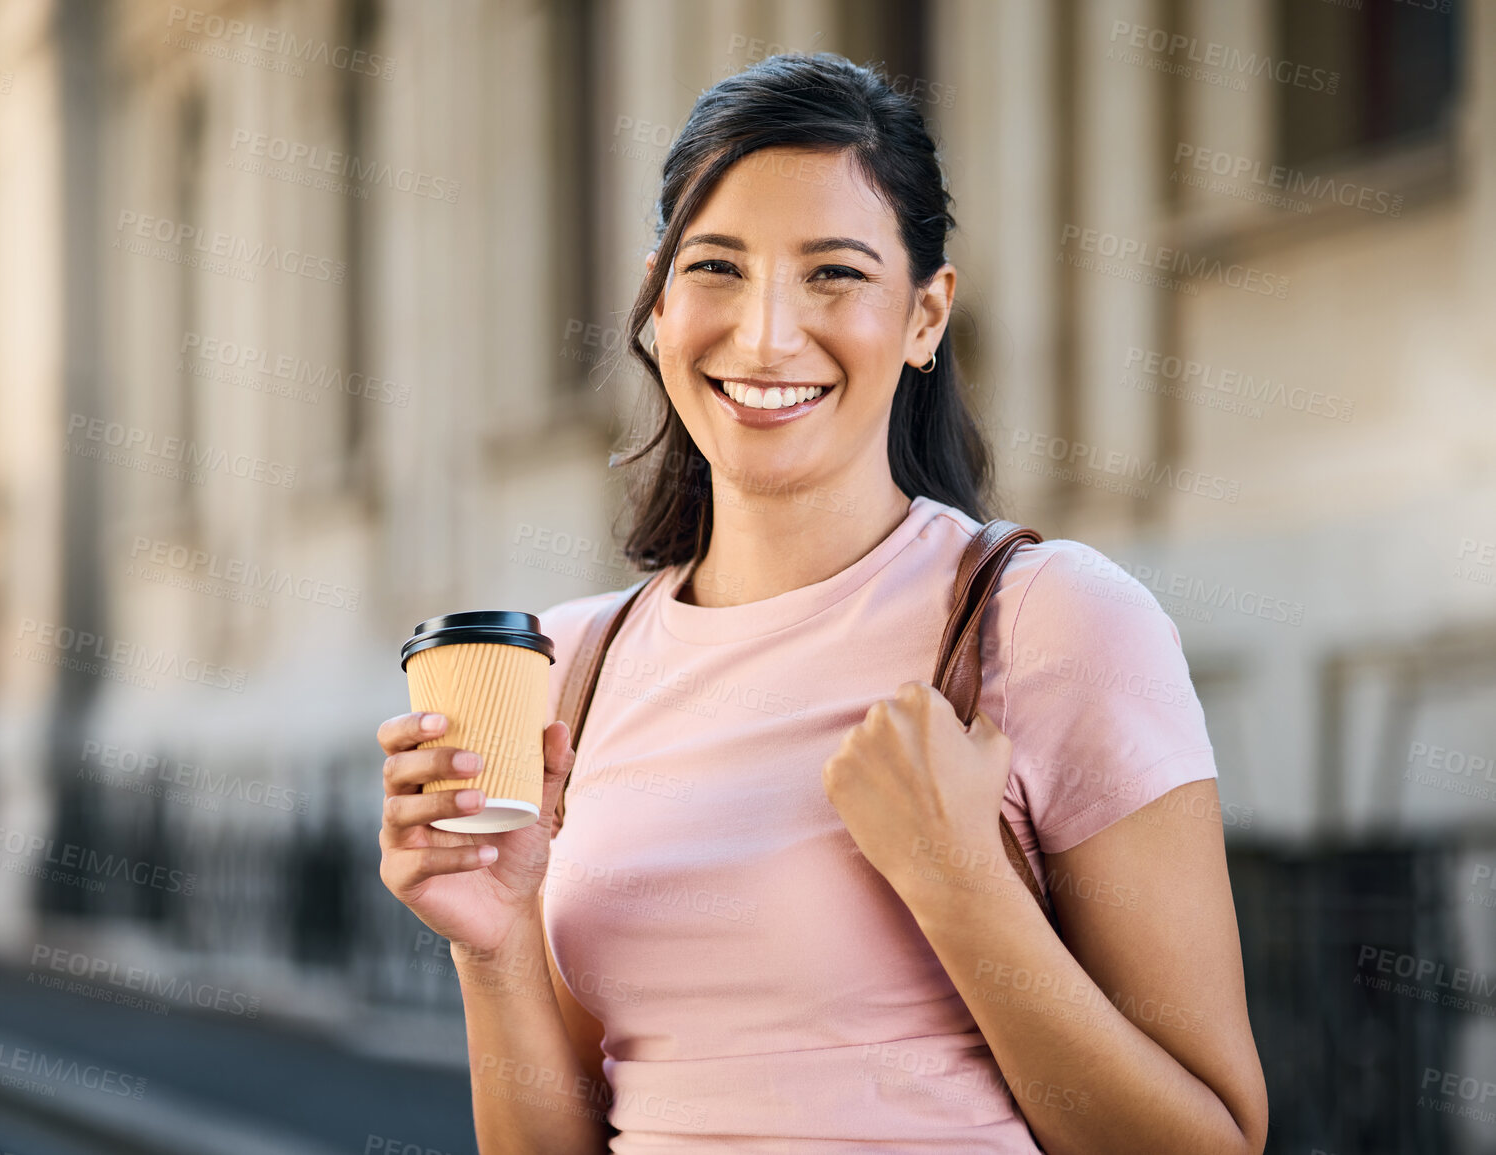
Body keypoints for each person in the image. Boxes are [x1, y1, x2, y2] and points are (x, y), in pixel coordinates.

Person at [379, 53, 1267, 1153]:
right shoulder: (572, 664)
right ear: (658, 304)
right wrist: (495, 941)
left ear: (926, 315)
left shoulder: (1052, 621)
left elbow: (1212, 1139)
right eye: (716, 269)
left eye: (834, 274)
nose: (765, 335)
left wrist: (959, 882)